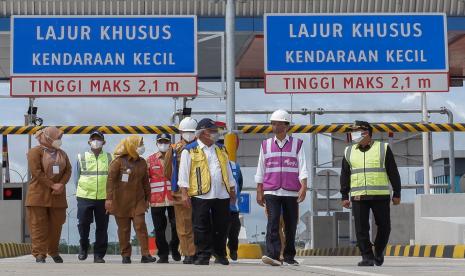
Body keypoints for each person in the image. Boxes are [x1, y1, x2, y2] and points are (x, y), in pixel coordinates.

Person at [340, 120, 401, 267]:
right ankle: (367, 256)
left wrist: (397, 193)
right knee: (361, 228)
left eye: (356, 131)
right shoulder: (349, 151)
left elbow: (393, 172)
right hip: (358, 195)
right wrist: (344, 195)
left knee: (385, 226)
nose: (353, 134)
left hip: (380, 195)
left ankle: (378, 251)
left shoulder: (383, 148)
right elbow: (345, 175)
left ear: (366, 132)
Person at [178, 118, 236, 266]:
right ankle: (203, 255)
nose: (216, 134)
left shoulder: (221, 149)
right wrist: (184, 193)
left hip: (222, 193)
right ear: (203, 133)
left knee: (221, 226)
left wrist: (232, 190)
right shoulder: (189, 150)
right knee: (200, 226)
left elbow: (228, 171)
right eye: (212, 131)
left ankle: (220, 254)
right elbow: (183, 173)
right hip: (200, 193)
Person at [255, 109, 308, 266]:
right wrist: (259, 190)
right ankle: (273, 255)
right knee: (272, 222)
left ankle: (289, 256)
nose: (275, 126)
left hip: (291, 191)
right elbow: (261, 168)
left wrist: (304, 186)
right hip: (271, 190)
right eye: (273, 123)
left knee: (291, 224)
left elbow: (302, 167)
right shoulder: (265, 145)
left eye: (279, 124)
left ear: (286, 126)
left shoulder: (297, 144)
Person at [105, 135, 156, 264]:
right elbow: (110, 181)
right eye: (139, 145)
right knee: (124, 229)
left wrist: (147, 198)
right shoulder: (118, 162)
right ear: (131, 146)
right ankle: (125, 255)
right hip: (121, 201)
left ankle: (146, 254)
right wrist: (109, 199)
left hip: (138, 200)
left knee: (140, 226)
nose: (142, 147)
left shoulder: (142, 162)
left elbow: (145, 182)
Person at [26, 127, 72, 263]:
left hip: (58, 195)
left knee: (57, 224)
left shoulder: (62, 154)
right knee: (38, 225)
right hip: (38, 195)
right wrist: (52, 185)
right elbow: (36, 172)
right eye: (57, 137)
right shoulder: (35, 152)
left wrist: (61, 184)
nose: (59, 140)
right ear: (48, 137)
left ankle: (53, 251)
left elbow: (68, 170)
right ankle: (40, 253)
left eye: (60, 138)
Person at [163, 117, 198, 264]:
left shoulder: (201, 147)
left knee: (199, 224)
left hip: (200, 192)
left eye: (192, 132)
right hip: (180, 193)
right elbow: (167, 170)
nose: (189, 134)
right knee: (184, 226)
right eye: (186, 131)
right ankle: (188, 253)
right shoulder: (174, 148)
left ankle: (199, 251)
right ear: (181, 132)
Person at [75, 130, 112, 263]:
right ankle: (83, 247)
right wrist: (79, 193)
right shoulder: (81, 157)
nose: (96, 141)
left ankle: (98, 255)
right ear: (89, 141)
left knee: (102, 227)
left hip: (103, 198)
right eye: (93, 139)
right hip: (84, 196)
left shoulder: (109, 157)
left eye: (98, 139)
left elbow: (112, 179)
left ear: (104, 142)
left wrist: (110, 197)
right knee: (83, 224)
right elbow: (76, 177)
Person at [147, 133, 181, 263]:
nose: (163, 144)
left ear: (170, 143)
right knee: (159, 228)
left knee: (176, 225)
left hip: (174, 197)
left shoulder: (175, 159)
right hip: (156, 200)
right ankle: (163, 254)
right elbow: (145, 181)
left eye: (166, 142)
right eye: (160, 142)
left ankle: (175, 247)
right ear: (156, 143)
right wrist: (145, 198)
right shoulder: (150, 160)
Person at [218, 139, 243, 261]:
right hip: (217, 205)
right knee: (219, 232)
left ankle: (233, 248)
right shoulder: (213, 165)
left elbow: (240, 183)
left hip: (232, 207)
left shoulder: (235, 166)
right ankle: (220, 254)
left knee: (234, 231)